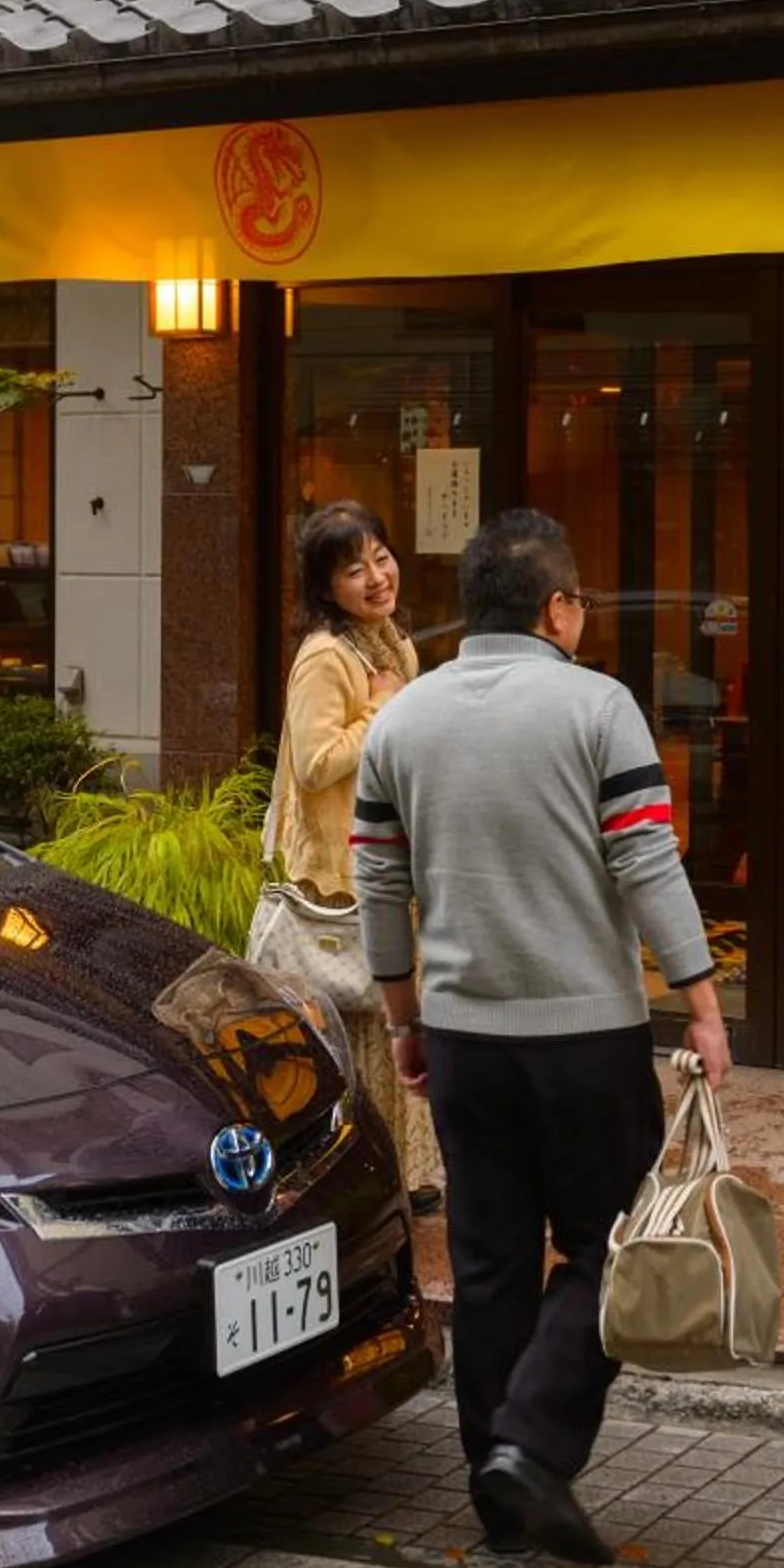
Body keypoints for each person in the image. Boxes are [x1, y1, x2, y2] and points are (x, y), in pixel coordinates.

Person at [353, 509, 733, 1564]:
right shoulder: (597, 706)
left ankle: (496, 1488)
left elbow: (377, 882)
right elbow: (648, 861)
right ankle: (531, 1445)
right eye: (580, 603)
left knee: (486, 1264)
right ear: (558, 607)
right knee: (618, 1244)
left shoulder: (404, 720)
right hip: (584, 1033)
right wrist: (701, 1001)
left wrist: (401, 1017)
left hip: (463, 1036)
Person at [264, 501, 443, 1208]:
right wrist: (382, 710)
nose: (376, 576)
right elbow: (315, 764)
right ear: (325, 586)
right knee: (365, 1022)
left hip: (390, 852)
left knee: (397, 1012)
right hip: (339, 870)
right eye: (353, 568)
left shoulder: (389, 642)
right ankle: (367, 1168)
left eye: (381, 557)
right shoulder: (326, 658)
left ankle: (408, 1169)